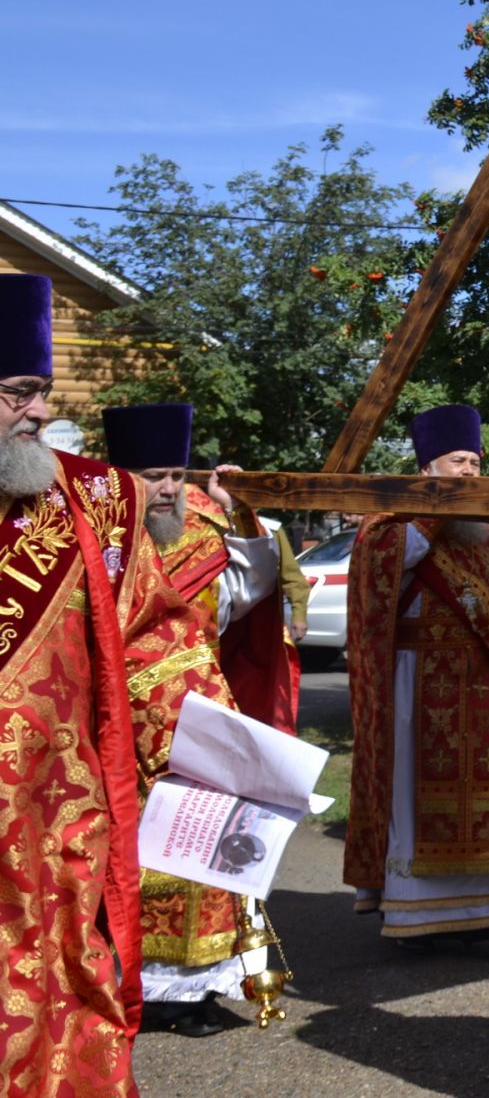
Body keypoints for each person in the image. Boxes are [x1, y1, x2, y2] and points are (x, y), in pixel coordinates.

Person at [0, 273, 210, 1091]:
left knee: (61, 1000)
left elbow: (154, 640)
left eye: (42, 393)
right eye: (20, 393)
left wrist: (218, 754)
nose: (39, 412)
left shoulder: (98, 501)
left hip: (56, 826)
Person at [100, 403, 299, 1035]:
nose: (168, 488)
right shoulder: (95, 539)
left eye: (176, 473)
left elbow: (251, 592)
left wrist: (237, 511)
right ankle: (136, 985)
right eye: (154, 474)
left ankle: (192, 991)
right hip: (116, 726)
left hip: (198, 716)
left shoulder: (202, 532)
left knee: (200, 858)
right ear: (121, 475)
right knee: (130, 857)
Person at [343, 405, 489, 950]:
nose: (470, 472)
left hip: (481, 680)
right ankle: (420, 919)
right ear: (428, 466)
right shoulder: (390, 515)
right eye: (459, 462)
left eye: (475, 462)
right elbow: (386, 566)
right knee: (418, 796)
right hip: (417, 684)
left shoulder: (479, 529)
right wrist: (434, 509)